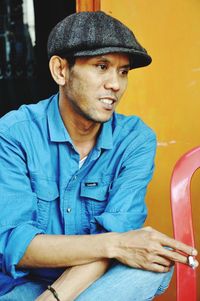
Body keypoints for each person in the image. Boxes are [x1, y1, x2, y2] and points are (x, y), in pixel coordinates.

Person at [0, 11, 198, 301]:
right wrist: (117, 244)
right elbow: (15, 245)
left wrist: (56, 297)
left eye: (123, 71)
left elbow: (120, 236)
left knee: (153, 267)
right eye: (101, 66)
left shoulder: (135, 139)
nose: (115, 84)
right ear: (60, 71)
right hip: (26, 284)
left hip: (98, 280)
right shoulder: (14, 134)